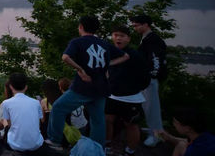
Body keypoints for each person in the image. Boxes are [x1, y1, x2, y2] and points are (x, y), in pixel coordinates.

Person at [46, 16, 130, 150]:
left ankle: (54, 140)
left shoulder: (78, 42)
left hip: (82, 88)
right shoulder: (104, 43)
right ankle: (97, 148)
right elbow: (125, 56)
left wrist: (80, 69)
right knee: (97, 119)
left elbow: (65, 57)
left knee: (58, 108)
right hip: (101, 88)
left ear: (81, 27)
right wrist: (107, 64)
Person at [105, 25, 150, 156]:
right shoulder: (110, 53)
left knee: (131, 124)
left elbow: (145, 78)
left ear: (128, 39)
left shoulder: (135, 56)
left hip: (131, 97)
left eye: (122, 36)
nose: (118, 38)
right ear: (112, 37)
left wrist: (132, 88)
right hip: (111, 95)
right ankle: (107, 145)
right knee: (107, 120)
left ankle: (130, 150)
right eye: (115, 35)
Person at [130, 14, 168, 147]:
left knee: (152, 108)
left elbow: (156, 61)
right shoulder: (147, 38)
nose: (134, 28)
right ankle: (154, 131)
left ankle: (156, 135)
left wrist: (151, 75)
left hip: (149, 80)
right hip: (146, 79)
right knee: (147, 106)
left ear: (145, 24)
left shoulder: (152, 40)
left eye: (136, 25)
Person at [0, 73, 47, 154]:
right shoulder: (36, 102)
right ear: (26, 87)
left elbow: (7, 124)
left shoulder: (6, 103)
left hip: (16, 146)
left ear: (10, 86)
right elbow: (40, 122)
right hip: (37, 144)